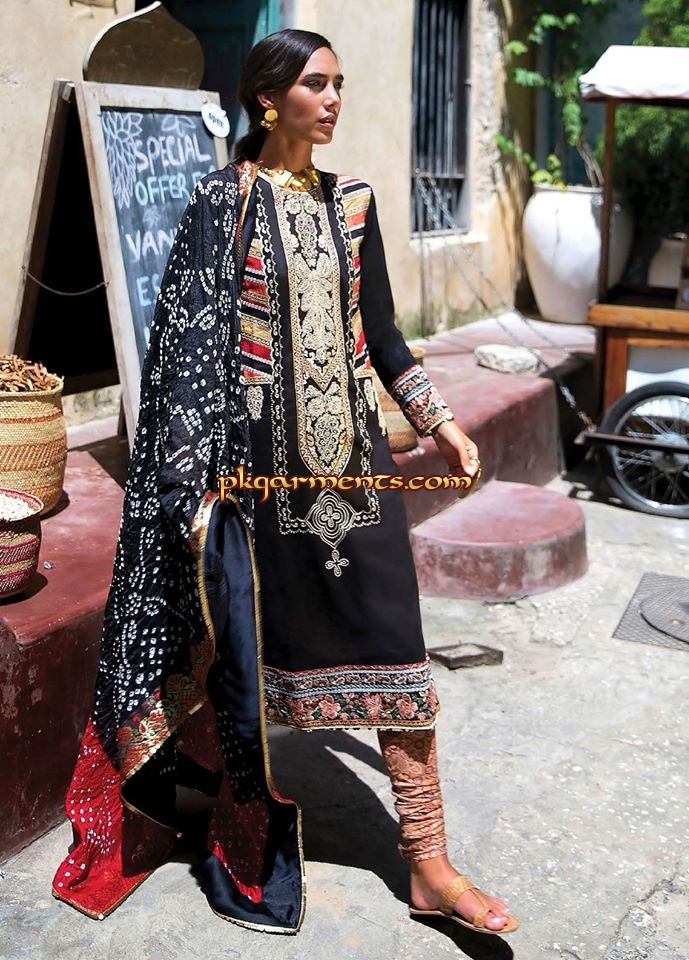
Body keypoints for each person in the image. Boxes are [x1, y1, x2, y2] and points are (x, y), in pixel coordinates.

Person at [52, 28, 517, 937]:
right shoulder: (220, 203)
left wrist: (442, 424)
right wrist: (188, 483)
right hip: (255, 483)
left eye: (339, 84)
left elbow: (383, 339)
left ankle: (429, 864)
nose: (334, 99)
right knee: (240, 660)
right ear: (268, 100)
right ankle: (239, 821)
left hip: (357, 476)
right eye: (316, 84)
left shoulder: (355, 202)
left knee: (395, 645)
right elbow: (185, 355)